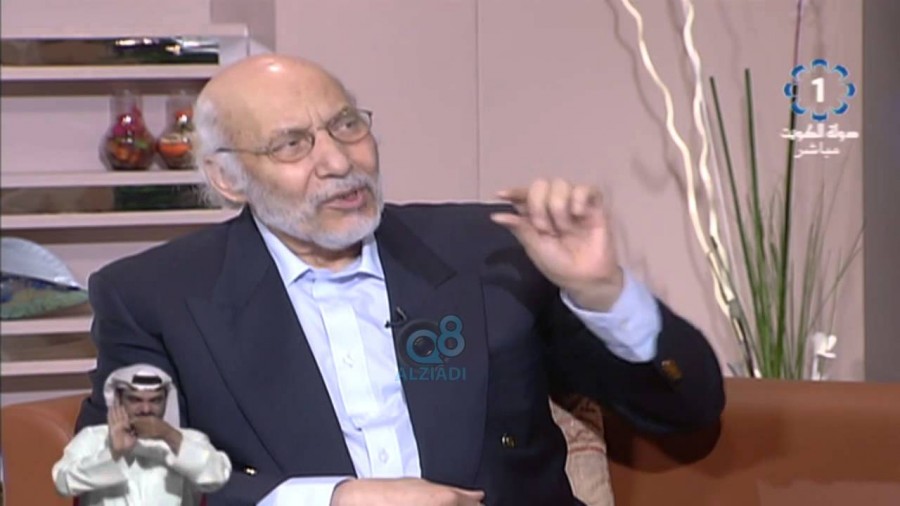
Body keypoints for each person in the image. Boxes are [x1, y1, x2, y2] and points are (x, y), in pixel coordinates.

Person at [75, 54, 724, 506]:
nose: (339, 161)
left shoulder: (490, 251)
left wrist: (602, 292)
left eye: (347, 125)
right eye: (292, 144)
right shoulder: (156, 297)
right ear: (227, 177)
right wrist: (331, 499)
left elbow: (687, 409)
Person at [54, 364, 232, 505]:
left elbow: (218, 476)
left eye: (155, 400)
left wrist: (170, 436)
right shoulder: (92, 438)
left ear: (166, 401)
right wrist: (114, 454)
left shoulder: (188, 439)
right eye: (135, 400)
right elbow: (63, 483)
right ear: (119, 400)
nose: (146, 409)